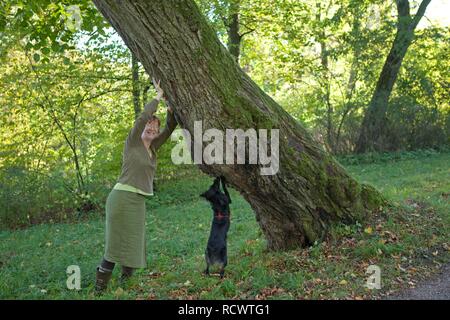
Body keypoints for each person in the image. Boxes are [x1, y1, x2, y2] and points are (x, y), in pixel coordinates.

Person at [95, 80, 177, 292]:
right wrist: (157, 97)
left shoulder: (153, 148)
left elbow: (170, 127)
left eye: (154, 126)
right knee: (115, 245)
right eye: (149, 125)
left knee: (133, 244)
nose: (151, 128)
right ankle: (99, 290)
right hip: (121, 200)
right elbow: (141, 118)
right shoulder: (132, 142)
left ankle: (125, 285)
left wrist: (171, 107)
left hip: (138, 201)